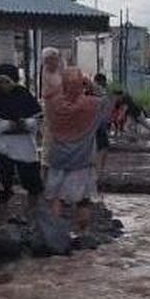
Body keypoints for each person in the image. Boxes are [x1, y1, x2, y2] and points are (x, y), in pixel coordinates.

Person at [44, 68, 109, 230]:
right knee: (83, 200)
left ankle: (55, 233)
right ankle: (83, 234)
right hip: (82, 160)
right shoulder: (91, 104)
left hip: (58, 158)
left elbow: (48, 96)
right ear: (81, 84)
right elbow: (107, 103)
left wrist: (61, 86)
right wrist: (91, 85)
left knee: (57, 197)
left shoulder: (54, 105)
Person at [0, 64, 43, 220]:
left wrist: (25, 124)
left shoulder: (24, 96)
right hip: (2, 147)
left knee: (32, 181)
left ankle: (31, 214)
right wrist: (8, 125)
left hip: (25, 147)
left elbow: (37, 120)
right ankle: (3, 217)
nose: (3, 86)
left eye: (7, 81)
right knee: (2, 181)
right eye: (0, 82)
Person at [38, 47, 64, 179]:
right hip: (50, 114)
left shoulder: (59, 73)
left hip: (61, 113)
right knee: (48, 147)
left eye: (55, 59)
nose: (54, 62)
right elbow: (45, 94)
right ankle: (43, 179)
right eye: (50, 60)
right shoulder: (45, 73)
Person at [90, 73, 113, 175]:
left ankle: (99, 171)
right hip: (98, 124)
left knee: (102, 147)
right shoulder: (100, 94)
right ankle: (98, 172)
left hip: (99, 124)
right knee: (102, 147)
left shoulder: (102, 93)